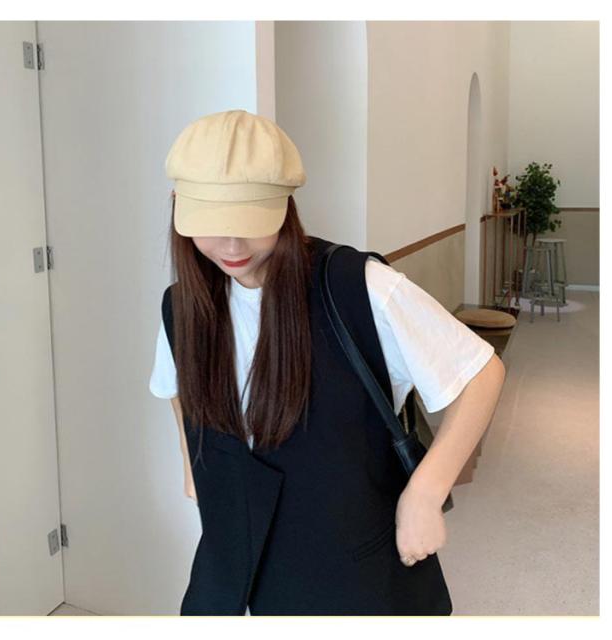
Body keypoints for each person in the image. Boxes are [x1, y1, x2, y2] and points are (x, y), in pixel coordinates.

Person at [149, 109, 506, 615]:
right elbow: (178, 389)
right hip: (233, 552)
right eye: (210, 225)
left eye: (249, 224)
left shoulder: (357, 287)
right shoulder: (181, 305)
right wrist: (193, 466)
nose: (231, 246)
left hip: (345, 562)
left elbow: (482, 373)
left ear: (285, 208)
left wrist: (426, 492)